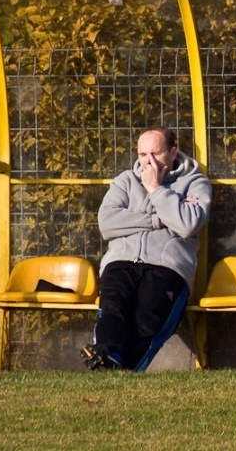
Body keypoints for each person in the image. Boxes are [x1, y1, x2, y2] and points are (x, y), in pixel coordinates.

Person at [81, 126, 212, 371]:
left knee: (147, 319)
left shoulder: (196, 183)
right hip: (121, 260)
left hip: (168, 266)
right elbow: (107, 223)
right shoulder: (125, 180)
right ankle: (108, 354)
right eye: (142, 155)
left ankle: (118, 366)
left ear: (173, 153)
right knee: (113, 307)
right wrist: (159, 219)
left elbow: (187, 224)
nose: (147, 162)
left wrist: (155, 190)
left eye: (155, 154)